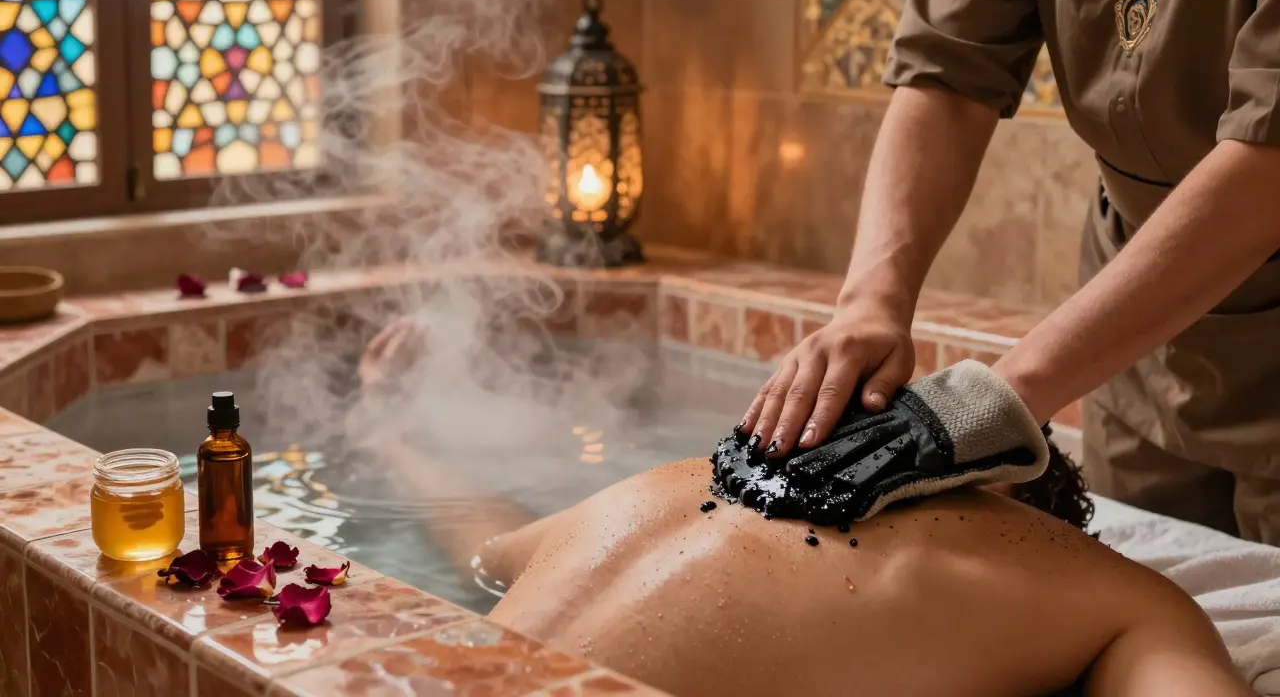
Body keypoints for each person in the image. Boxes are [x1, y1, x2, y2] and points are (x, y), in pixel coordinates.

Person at [354, 318, 1251, 695]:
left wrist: (389, 427)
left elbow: (481, 536)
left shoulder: (663, 488)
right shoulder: (1090, 584)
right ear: (1008, 490)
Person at [739, 0, 1280, 544]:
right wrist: (868, 304)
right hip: (1135, 343)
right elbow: (946, 75)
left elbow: (1265, 166)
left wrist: (990, 403)